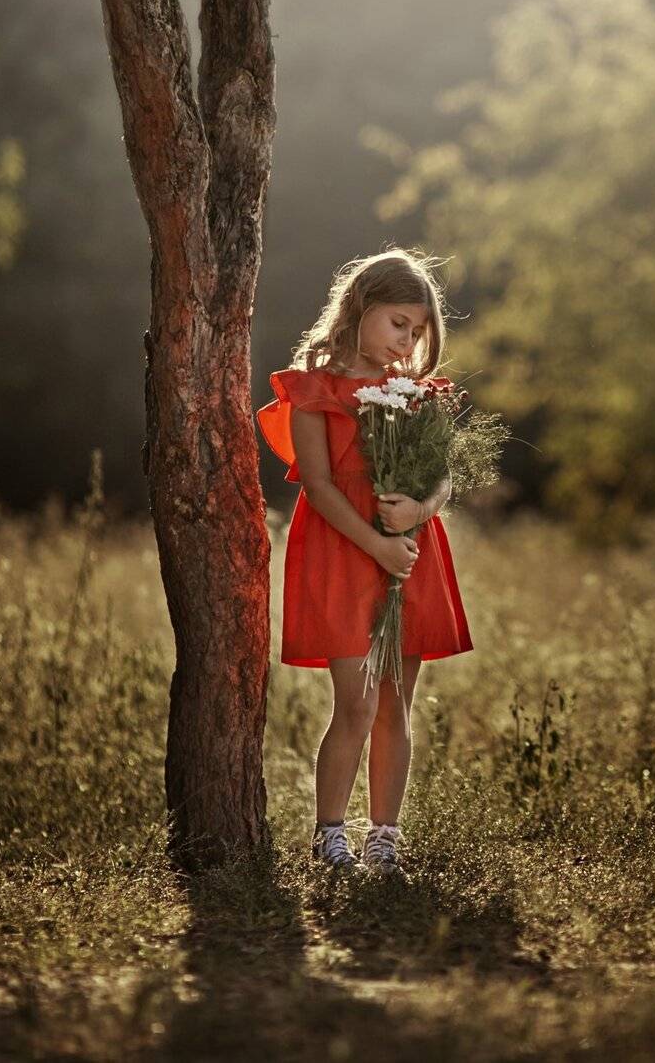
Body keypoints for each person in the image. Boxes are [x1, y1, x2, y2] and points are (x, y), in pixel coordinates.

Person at [256, 248, 474, 878]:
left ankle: (384, 837)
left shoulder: (417, 395)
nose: (406, 340)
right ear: (359, 309)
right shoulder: (312, 390)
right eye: (397, 324)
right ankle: (330, 837)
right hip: (344, 548)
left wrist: (418, 512)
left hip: (407, 550)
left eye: (416, 331)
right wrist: (375, 541)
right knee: (355, 703)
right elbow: (319, 486)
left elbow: (443, 479)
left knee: (396, 704)